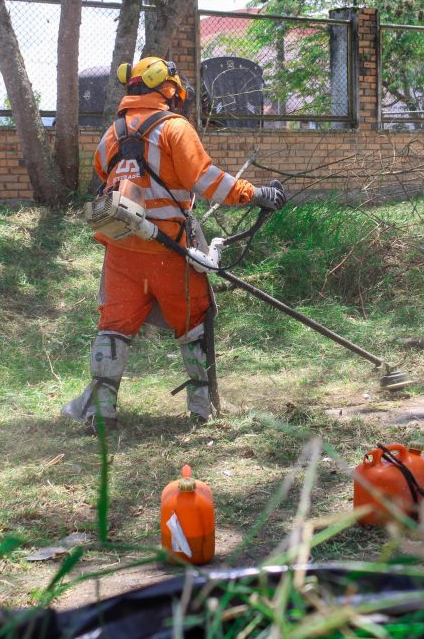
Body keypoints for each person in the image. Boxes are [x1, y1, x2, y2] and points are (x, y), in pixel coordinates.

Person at [62, 56, 286, 433]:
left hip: (121, 250)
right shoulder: (174, 128)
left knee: (114, 325)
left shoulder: (111, 133)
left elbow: (104, 176)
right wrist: (256, 193)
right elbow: (206, 180)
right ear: (168, 89)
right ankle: (202, 408)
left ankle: (101, 411)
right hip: (170, 251)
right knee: (194, 321)